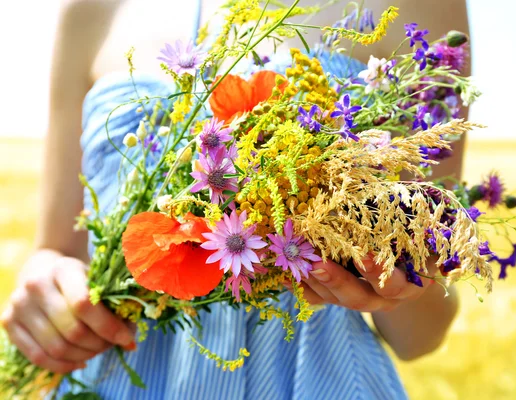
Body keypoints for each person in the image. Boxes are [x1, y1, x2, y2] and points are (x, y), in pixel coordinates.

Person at [1, 0, 470, 398]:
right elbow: (59, 249)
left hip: (314, 379)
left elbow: (422, 337)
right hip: (113, 374)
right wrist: (47, 288)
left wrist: (396, 283)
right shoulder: (90, 7)